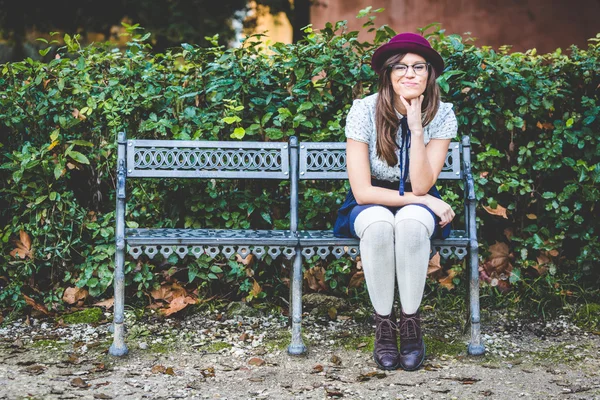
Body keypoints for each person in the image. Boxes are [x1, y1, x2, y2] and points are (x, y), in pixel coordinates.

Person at [333, 32, 458, 371]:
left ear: (429, 74)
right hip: (372, 199)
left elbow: (421, 183)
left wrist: (417, 129)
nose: (410, 74)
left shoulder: (442, 114)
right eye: (400, 67)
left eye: (419, 66)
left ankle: (411, 325)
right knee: (378, 226)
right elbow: (362, 191)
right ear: (388, 73)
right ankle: (385, 328)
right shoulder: (364, 111)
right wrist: (429, 201)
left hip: (418, 198)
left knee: (410, 223)